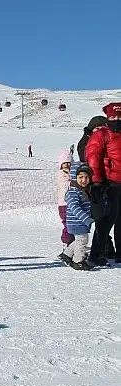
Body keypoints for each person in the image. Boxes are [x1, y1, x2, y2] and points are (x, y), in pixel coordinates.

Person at [84, 102, 121, 266]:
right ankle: (95, 255)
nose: (117, 120)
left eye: (120, 117)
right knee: (106, 220)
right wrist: (97, 181)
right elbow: (93, 156)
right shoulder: (101, 135)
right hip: (109, 183)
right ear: (108, 118)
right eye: (113, 117)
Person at [60, 163, 94, 270]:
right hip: (77, 221)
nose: (84, 180)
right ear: (75, 177)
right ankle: (78, 261)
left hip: (79, 222)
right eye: (81, 177)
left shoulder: (81, 190)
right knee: (83, 240)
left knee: (80, 240)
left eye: (86, 177)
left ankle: (66, 255)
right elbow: (74, 207)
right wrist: (86, 218)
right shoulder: (73, 191)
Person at [56, 151, 74, 254]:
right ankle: (67, 242)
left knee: (73, 224)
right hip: (64, 204)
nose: (67, 166)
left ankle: (72, 243)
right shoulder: (61, 174)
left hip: (72, 203)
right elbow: (66, 184)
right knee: (67, 224)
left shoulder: (73, 174)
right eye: (65, 163)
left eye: (69, 163)